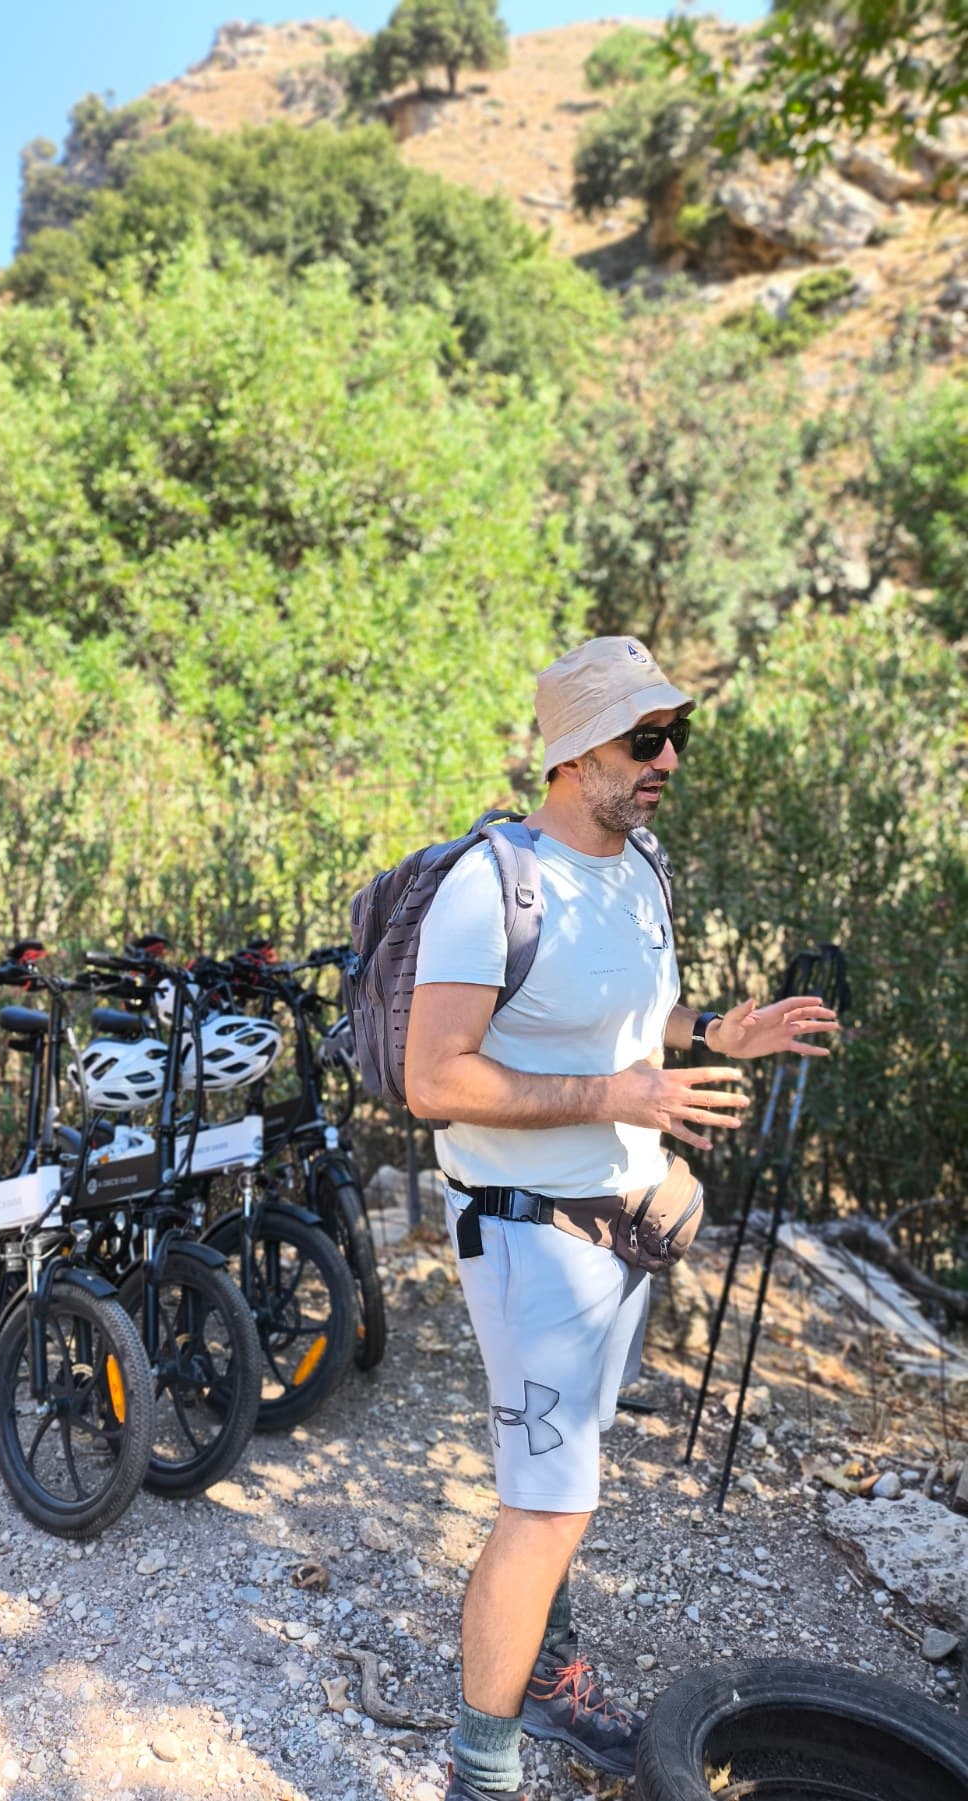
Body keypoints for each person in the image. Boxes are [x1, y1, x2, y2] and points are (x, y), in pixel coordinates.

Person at [403, 636, 838, 1801]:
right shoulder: (488, 886)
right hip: (526, 1231)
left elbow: (623, 1021)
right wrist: (620, 1096)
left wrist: (713, 1033)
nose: (667, 761)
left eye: (672, 736)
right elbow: (433, 1078)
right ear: (571, 751)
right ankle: (480, 1772)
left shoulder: (638, 865)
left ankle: (544, 1675)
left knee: (568, 1465)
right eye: (643, 740)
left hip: (625, 1228)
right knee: (547, 1506)